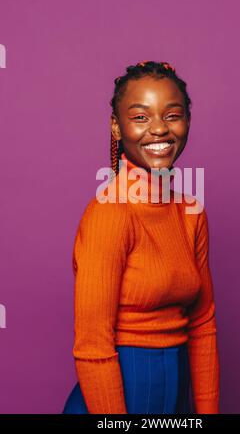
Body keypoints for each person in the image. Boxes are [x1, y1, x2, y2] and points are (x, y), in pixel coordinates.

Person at [62, 60, 220, 414]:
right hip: (117, 400)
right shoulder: (109, 213)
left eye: (172, 115)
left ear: (188, 121)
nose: (159, 130)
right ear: (117, 128)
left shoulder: (191, 212)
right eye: (140, 117)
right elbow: (92, 345)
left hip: (176, 396)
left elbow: (203, 324)